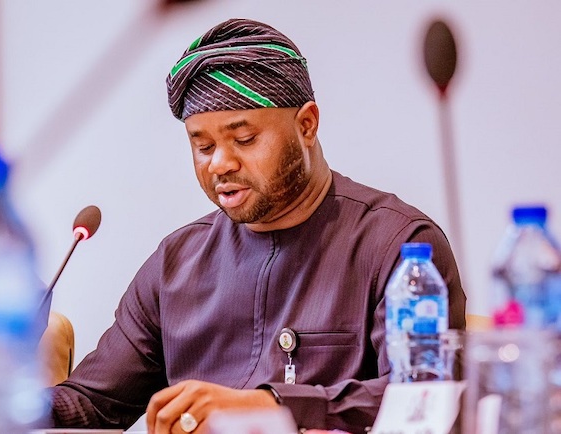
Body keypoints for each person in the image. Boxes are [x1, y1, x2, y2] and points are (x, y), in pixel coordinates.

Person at [50, 18, 466, 433]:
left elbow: (426, 400)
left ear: (306, 125)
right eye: (203, 145)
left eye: (244, 139)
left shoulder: (398, 247)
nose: (220, 164)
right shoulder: (174, 265)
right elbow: (91, 403)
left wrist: (273, 407)